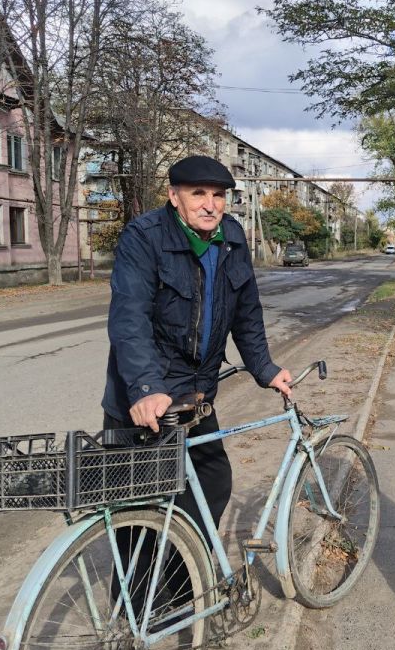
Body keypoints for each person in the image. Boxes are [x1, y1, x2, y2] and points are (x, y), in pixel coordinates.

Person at [102, 155, 292, 606]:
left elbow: (247, 313)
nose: (210, 204)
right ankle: (135, 612)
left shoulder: (232, 239)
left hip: (194, 397)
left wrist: (264, 368)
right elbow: (129, 319)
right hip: (147, 397)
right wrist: (146, 389)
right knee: (139, 508)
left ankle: (184, 591)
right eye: (198, 193)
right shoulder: (144, 237)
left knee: (211, 480)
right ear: (174, 196)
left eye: (218, 195)